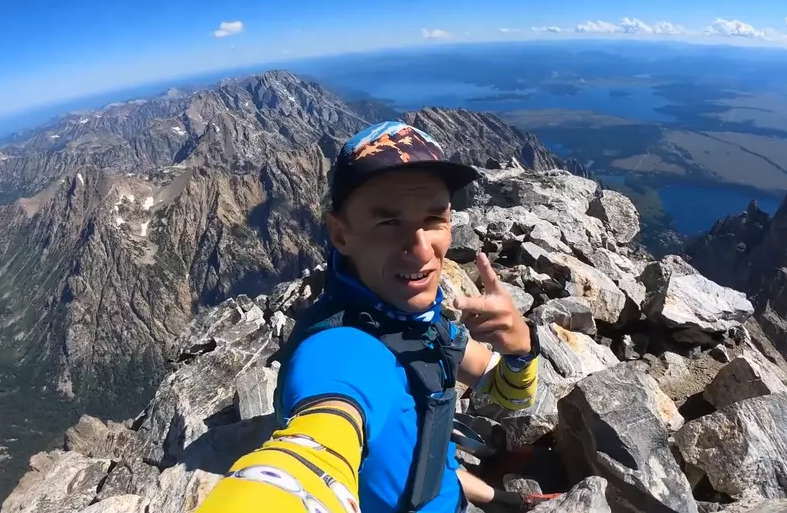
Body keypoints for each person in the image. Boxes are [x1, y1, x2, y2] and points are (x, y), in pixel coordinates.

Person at [196, 121, 544, 513]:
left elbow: (506, 393)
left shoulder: (417, 321)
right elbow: (308, 457)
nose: (421, 250)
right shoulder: (340, 350)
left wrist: (520, 350)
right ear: (340, 235)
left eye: (434, 219)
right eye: (388, 223)